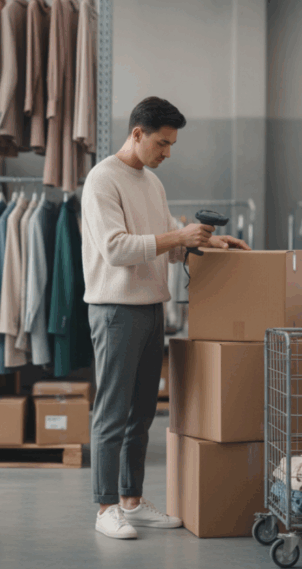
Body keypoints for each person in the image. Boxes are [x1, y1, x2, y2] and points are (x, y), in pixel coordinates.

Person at [81, 96, 251, 540]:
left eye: (172, 144)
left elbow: (166, 248)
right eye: (162, 143)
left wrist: (203, 244)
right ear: (137, 133)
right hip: (115, 310)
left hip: (151, 308)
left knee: (141, 415)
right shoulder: (102, 180)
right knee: (112, 413)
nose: (167, 152)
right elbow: (116, 248)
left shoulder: (152, 183)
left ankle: (131, 502)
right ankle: (104, 509)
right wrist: (177, 233)